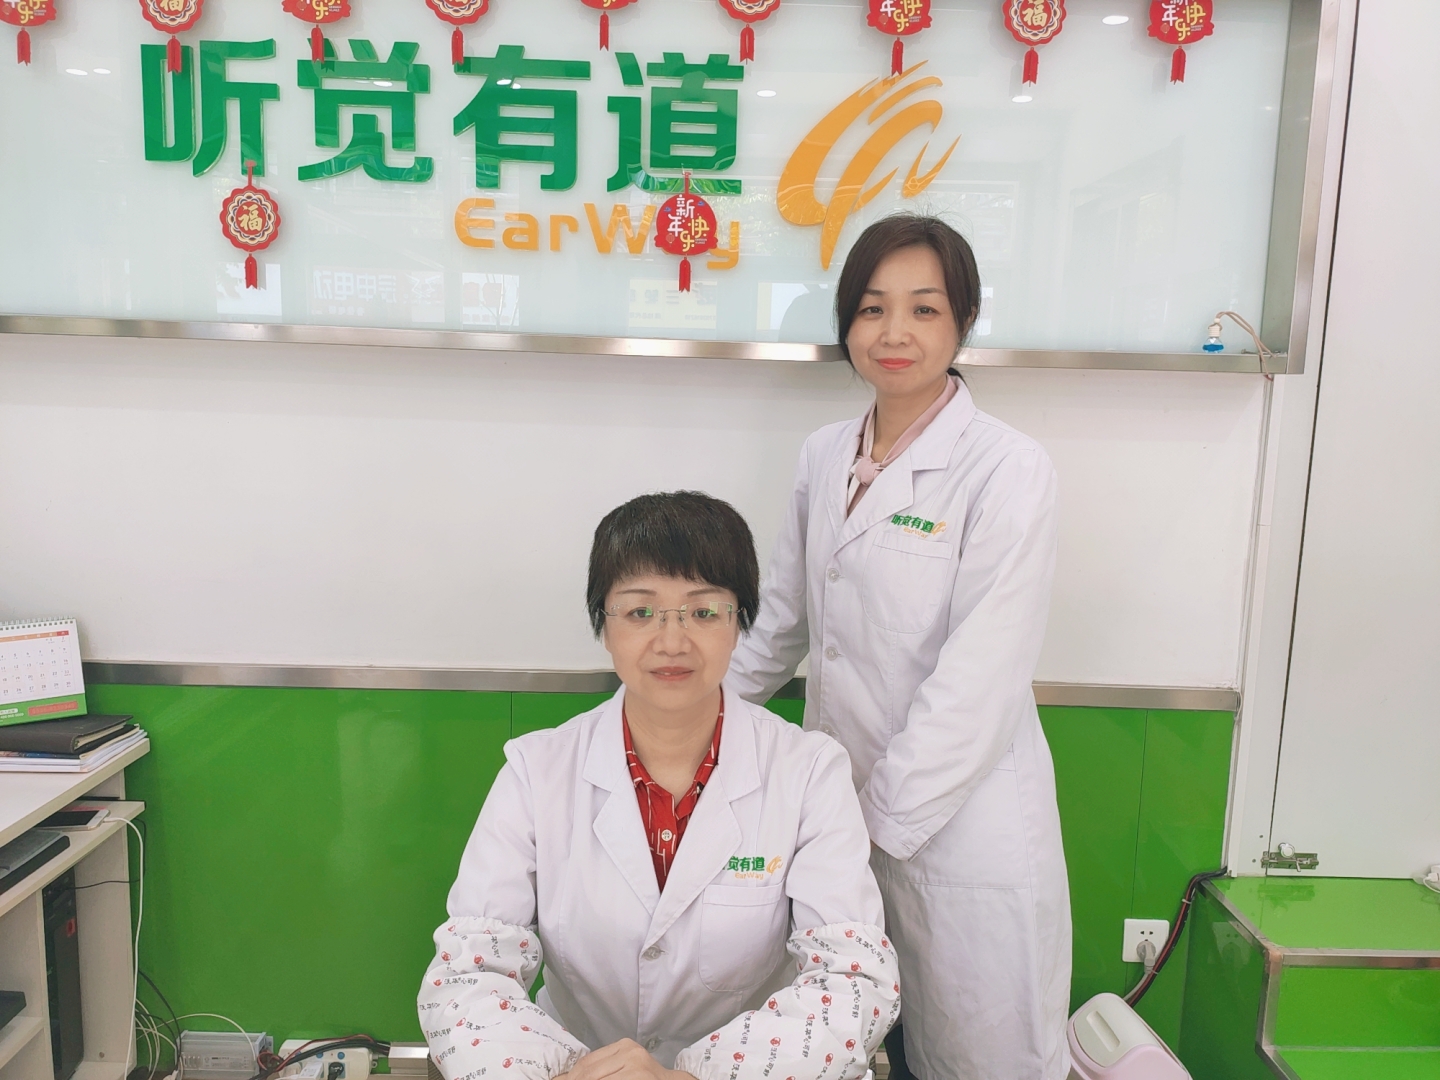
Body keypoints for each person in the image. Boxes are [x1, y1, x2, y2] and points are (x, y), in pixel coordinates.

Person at [729, 215, 1072, 1080]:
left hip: (958, 826)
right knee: (830, 1044)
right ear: (847, 321)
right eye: (872, 308)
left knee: (971, 1056)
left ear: (963, 322)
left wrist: (873, 824)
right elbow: (781, 620)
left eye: (924, 309)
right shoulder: (823, 454)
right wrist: (686, 729)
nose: (894, 333)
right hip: (837, 810)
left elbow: (980, 678)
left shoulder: (1007, 468)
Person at [419, 491, 900, 1080]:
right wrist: (565, 1074)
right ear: (604, 625)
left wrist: (690, 1077)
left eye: (704, 612)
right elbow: (468, 973)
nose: (672, 641)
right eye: (640, 612)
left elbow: (852, 977)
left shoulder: (808, 771)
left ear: (740, 623)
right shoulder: (536, 770)